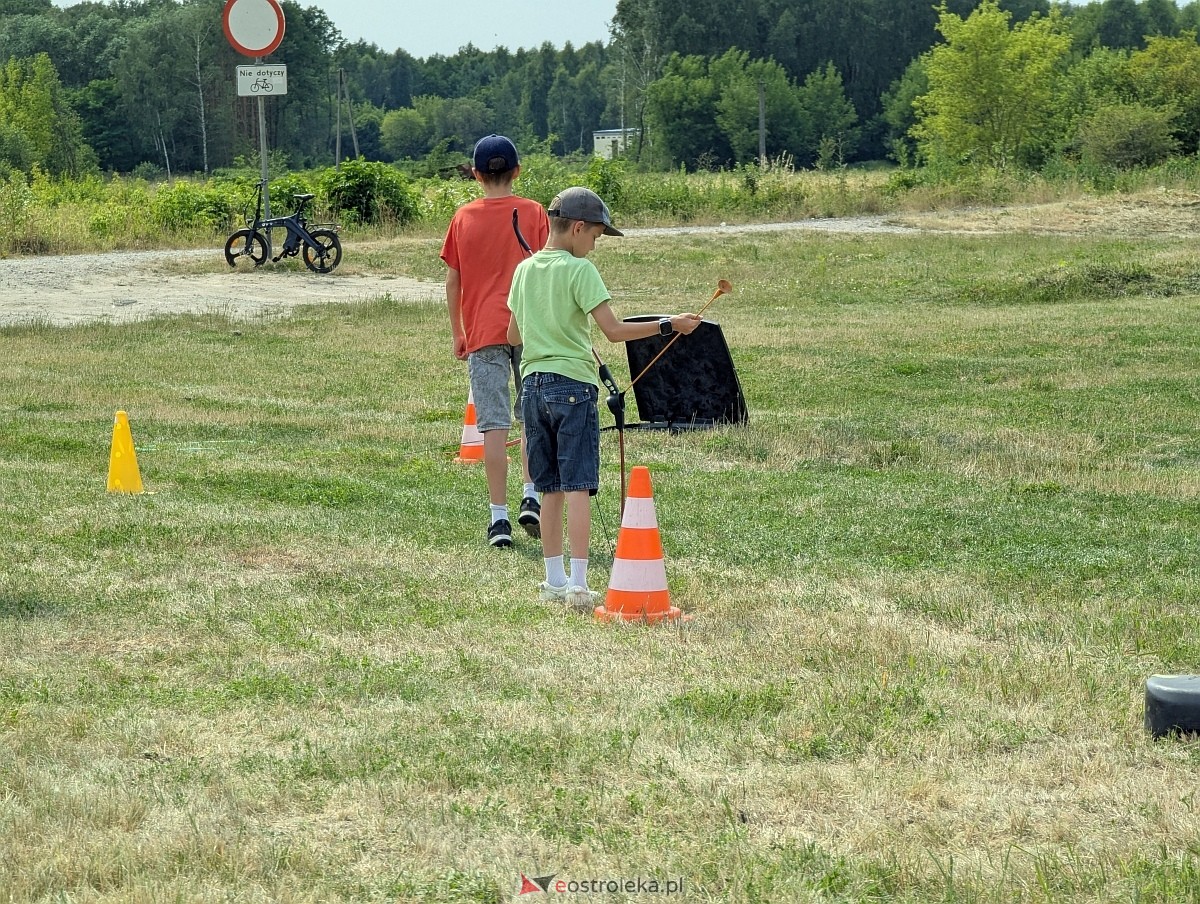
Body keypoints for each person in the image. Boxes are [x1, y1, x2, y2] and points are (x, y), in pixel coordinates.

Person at [506, 187, 701, 611]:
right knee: (578, 486)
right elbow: (613, 331)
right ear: (577, 228)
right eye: (595, 235)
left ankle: (553, 580)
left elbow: (513, 336)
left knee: (549, 489)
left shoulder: (524, 272)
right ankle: (580, 583)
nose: (594, 245)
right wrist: (669, 324)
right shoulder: (581, 271)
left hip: (532, 387)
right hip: (573, 388)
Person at [441, 134, 550, 548]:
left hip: (483, 331)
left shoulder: (463, 218)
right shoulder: (534, 212)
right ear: (517, 171)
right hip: (530, 327)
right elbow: (547, 269)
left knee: (492, 423)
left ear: (475, 175)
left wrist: (458, 331)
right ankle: (531, 494)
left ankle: (498, 520)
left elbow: (454, 279)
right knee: (531, 416)